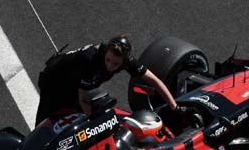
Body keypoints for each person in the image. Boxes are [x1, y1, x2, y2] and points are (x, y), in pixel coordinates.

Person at [35, 34, 180, 125]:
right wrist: (95, 125)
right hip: (54, 80)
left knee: (85, 115)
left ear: (124, 60)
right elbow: (82, 99)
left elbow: (155, 80)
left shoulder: (127, 61)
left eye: (116, 63)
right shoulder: (90, 61)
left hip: (78, 83)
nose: (110, 66)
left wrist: (175, 107)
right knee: (47, 124)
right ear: (105, 52)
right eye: (108, 60)